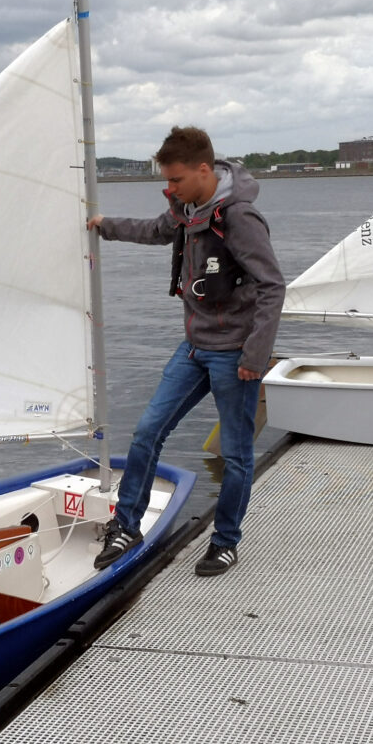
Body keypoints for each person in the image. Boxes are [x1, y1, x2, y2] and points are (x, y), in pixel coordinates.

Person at [89, 126, 285, 577]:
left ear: (203, 170)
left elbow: (272, 286)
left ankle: (225, 541)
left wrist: (255, 357)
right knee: (147, 432)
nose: (169, 188)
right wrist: (104, 226)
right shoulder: (186, 209)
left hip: (235, 354)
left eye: (175, 180)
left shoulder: (239, 218)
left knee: (236, 454)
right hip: (195, 347)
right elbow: (155, 230)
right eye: (167, 180)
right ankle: (127, 525)